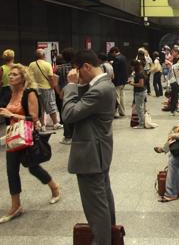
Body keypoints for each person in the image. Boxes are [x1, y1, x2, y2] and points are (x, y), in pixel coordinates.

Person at [0, 64, 61, 224]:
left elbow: (34, 118)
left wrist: (11, 114)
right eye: (10, 75)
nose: (11, 77)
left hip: (27, 134)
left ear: (23, 78)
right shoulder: (10, 93)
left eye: (15, 75)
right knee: (11, 170)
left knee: (33, 167)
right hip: (13, 134)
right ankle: (16, 205)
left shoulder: (30, 93)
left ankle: (54, 187)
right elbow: (7, 111)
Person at [62, 49, 117, 244]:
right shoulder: (103, 84)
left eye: (78, 70)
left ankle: (103, 241)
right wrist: (78, 85)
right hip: (99, 151)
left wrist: (70, 86)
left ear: (86, 66)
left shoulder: (100, 89)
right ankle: (110, 237)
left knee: (95, 207)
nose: (77, 75)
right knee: (103, 199)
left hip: (91, 155)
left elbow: (69, 115)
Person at [28, 48, 62, 130]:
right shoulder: (47, 64)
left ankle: (43, 125)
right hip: (46, 88)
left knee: (40, 107)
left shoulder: (31, 64)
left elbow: (29, 76)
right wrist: (52, 86)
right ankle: (55, 123)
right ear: (44, 55)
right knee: (51, 105)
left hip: (35, 89)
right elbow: (50, 77)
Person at [57, 48, 75, 145]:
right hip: (77, 92)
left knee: (66, 114)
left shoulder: (60, 68)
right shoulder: (77, 67)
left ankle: (68, 137)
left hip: (65, 93)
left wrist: (59, 92)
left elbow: (55, 83)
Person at [109, 46, 129, 118]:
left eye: (112, 53)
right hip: (123, 80)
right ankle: (122, 112)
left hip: (117, 81)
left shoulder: (116, 59)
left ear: (114, 52)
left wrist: (112, 64)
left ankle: (116, 112)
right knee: (122, 96)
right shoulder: (123, 57)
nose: (112, 55)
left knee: (116, 97)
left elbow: (115, 71)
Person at [130, 60, 147, 129]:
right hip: (141, 92)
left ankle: (141, 124)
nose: (131, 68)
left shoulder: (139, 74)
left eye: (132, 66)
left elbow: (141, 84)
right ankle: (142, 122)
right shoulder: (140, 72)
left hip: (139, 92)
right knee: (140, 108)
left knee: (139, 108)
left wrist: (132, 84)